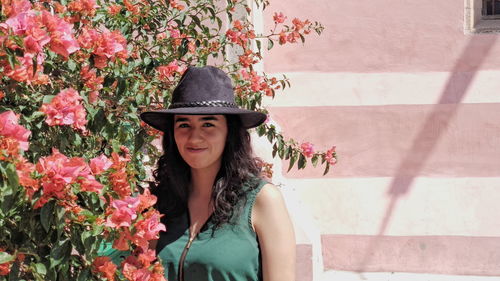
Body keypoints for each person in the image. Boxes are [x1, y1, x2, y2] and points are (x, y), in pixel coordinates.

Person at [140, 65, 296, 281]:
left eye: (208, 124)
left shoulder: (262, 199)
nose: (194, 137)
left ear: (229, 132)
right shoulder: (160, 202)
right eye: (184, 124)